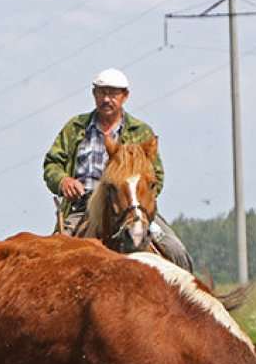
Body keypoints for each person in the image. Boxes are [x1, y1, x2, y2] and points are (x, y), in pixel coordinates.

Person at [42, 67, 192, 271]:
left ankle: (188, 300)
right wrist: (63, 181)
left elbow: (156, 176)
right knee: (52, 260)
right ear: (94, 94)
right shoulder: (75, 128)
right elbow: (52, 163)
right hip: (83, 207)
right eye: (102, 93)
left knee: (176, 250)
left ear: (125, 96)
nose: (107, 99)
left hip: (132, 208)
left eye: (113, 93)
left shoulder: (140, 132)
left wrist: (138, 201)